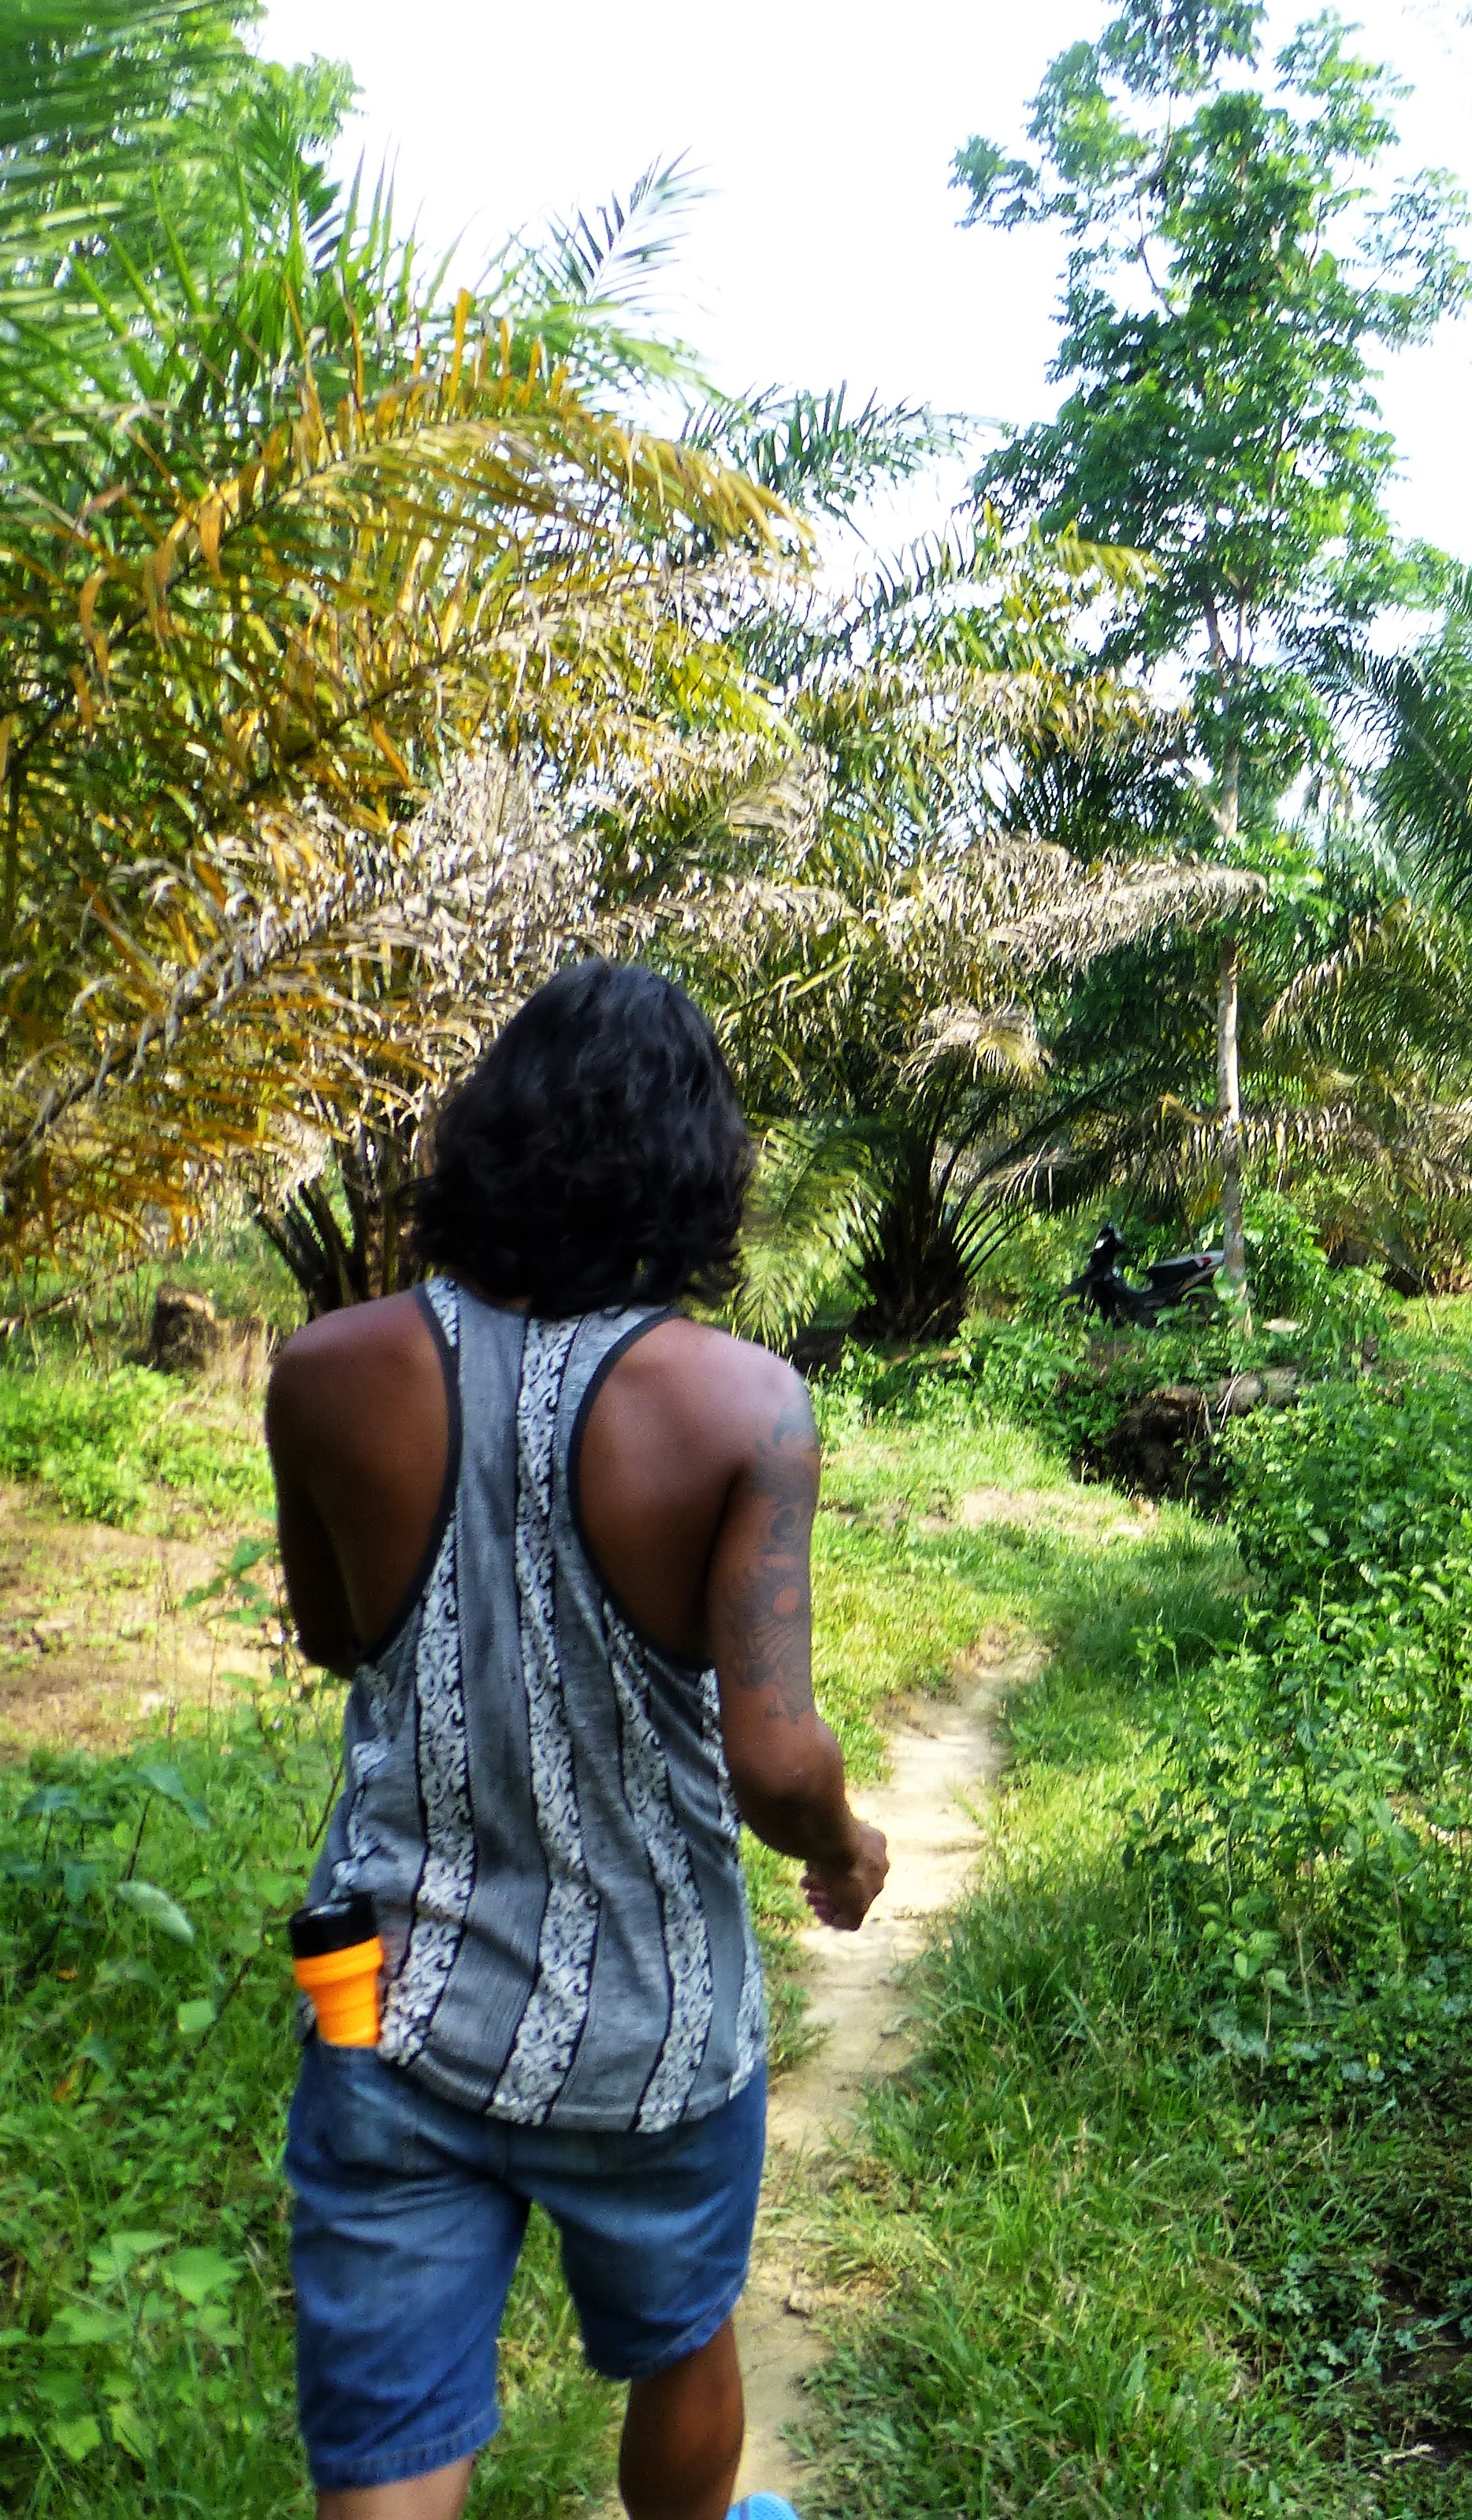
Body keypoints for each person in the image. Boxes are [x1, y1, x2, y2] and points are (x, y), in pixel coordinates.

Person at [264, 961, 889, 2520]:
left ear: (492, 1137)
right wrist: (847, 1843)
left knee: (393, 2436)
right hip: (654, 2029)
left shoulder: (325, 1373)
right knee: (682, 2339)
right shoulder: (744, 1409)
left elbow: (338, 1637)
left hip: (390, 2007)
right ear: (698, 1171)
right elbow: (774, 1761)